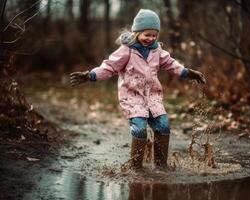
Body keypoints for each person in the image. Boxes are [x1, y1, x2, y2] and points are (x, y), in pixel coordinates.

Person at [70, 9, 206, 171]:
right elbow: (109, 66)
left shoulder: (157, 51)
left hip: (153, 96)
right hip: (132, 97)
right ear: (136, 32)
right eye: (147, 35)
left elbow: (171, 64)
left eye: (154, 35)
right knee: (140, 129)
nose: (151, 39)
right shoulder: (126, 50)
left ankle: (161, 165)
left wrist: (187, 72)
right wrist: (90, 75)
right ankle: (136, 167)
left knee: (163, 125)